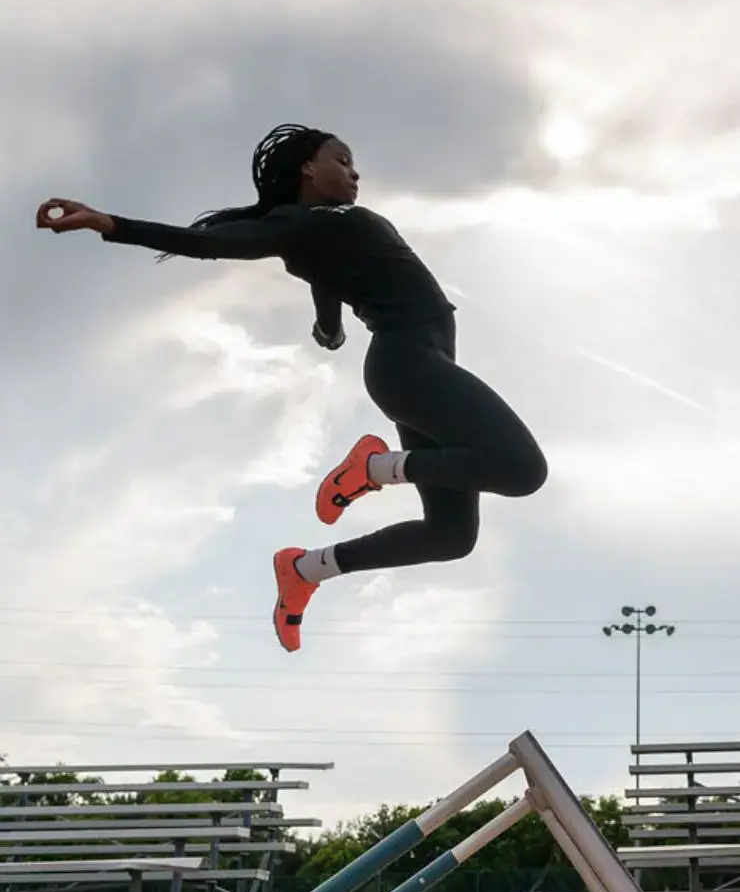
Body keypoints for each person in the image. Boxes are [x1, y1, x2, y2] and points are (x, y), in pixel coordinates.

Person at [36, 123, 548, 653]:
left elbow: (325, 280)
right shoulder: (300, 224)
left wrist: (329, 326)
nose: (355, 173)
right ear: (308, 168)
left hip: (418, 370)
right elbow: (207, 243)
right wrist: (109, 223)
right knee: (521, 469)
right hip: (408, 365)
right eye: (343, 160)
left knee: (450, 537)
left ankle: (306, 569)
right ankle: (372, 469)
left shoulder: (321, 230)